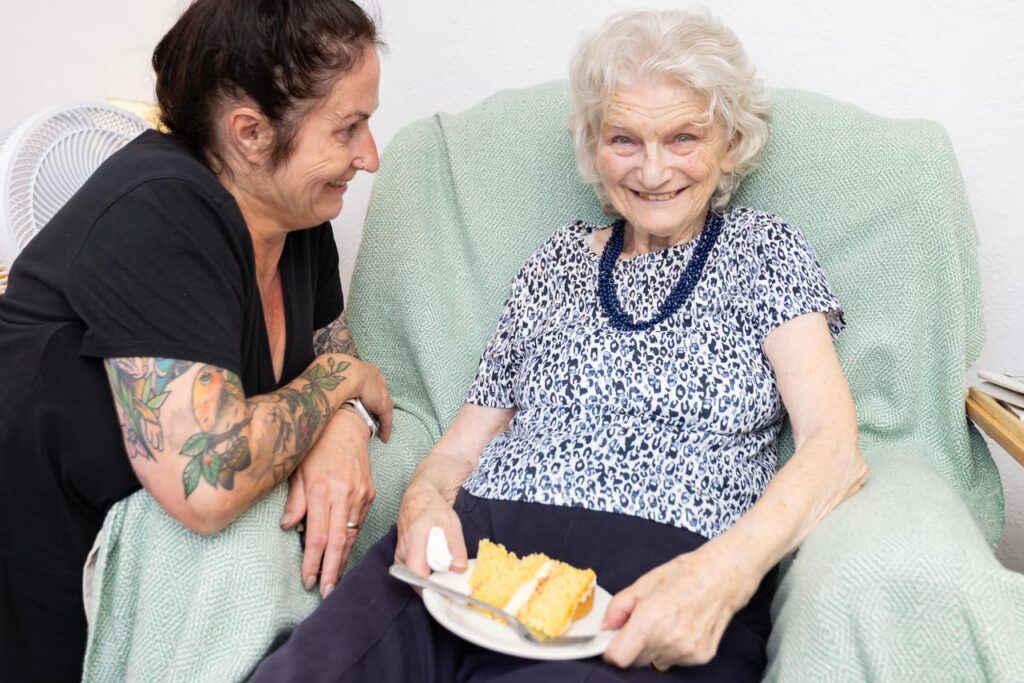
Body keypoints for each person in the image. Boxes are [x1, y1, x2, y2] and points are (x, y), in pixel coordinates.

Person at [254, 8, 868, 682]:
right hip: (474, 560)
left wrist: (723, 574)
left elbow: (833, 449)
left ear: (731, 143)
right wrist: (424, 501)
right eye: (625, 139)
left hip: (659, 582)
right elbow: (460, 446)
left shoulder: (764, 251)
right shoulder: (557, 262)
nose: (653, 170)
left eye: (683, 137)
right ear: (594, 146)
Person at [0, 1, 394, 680]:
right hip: (35, 578)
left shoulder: (302, 222)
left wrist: (345, 425)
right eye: (347, 127)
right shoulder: (161, 209)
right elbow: (207, 482)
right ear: (251, 132)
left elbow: (335, 355)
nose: (370, 156)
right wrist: (348, 386)